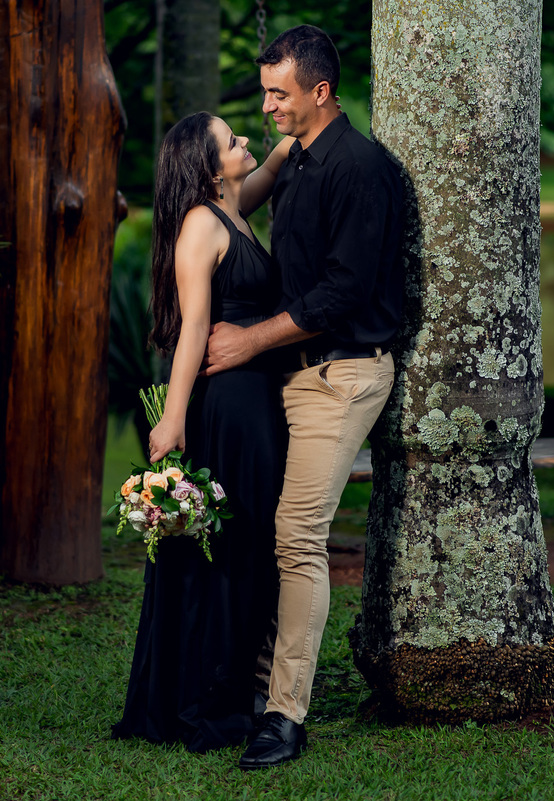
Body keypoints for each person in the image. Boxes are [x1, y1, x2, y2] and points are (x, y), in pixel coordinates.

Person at [203, 25, 403, 770]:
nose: (266, 107)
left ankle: (285, 714)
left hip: (342, 375)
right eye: (263, 92)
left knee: (297, 534)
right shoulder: (296, 160)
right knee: (259, 527)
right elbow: (225, 207)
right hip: (290, 375)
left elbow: (342, 292)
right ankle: (249, 690)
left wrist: (248, 341)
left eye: (278, 93)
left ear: (321, 91)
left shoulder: (362, 168)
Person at [111, 112, 296, 753]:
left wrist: (303, 126)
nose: (246, 141)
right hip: (228, 404)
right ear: (210, 166)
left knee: (249, 543)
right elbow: (193, 329)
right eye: (232, 140)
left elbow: (270, 168)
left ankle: (235, 683)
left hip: (257, 396)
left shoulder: (234, 206)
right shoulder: (200, 225)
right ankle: (209, 701)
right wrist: (172, 415)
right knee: (229, 548)